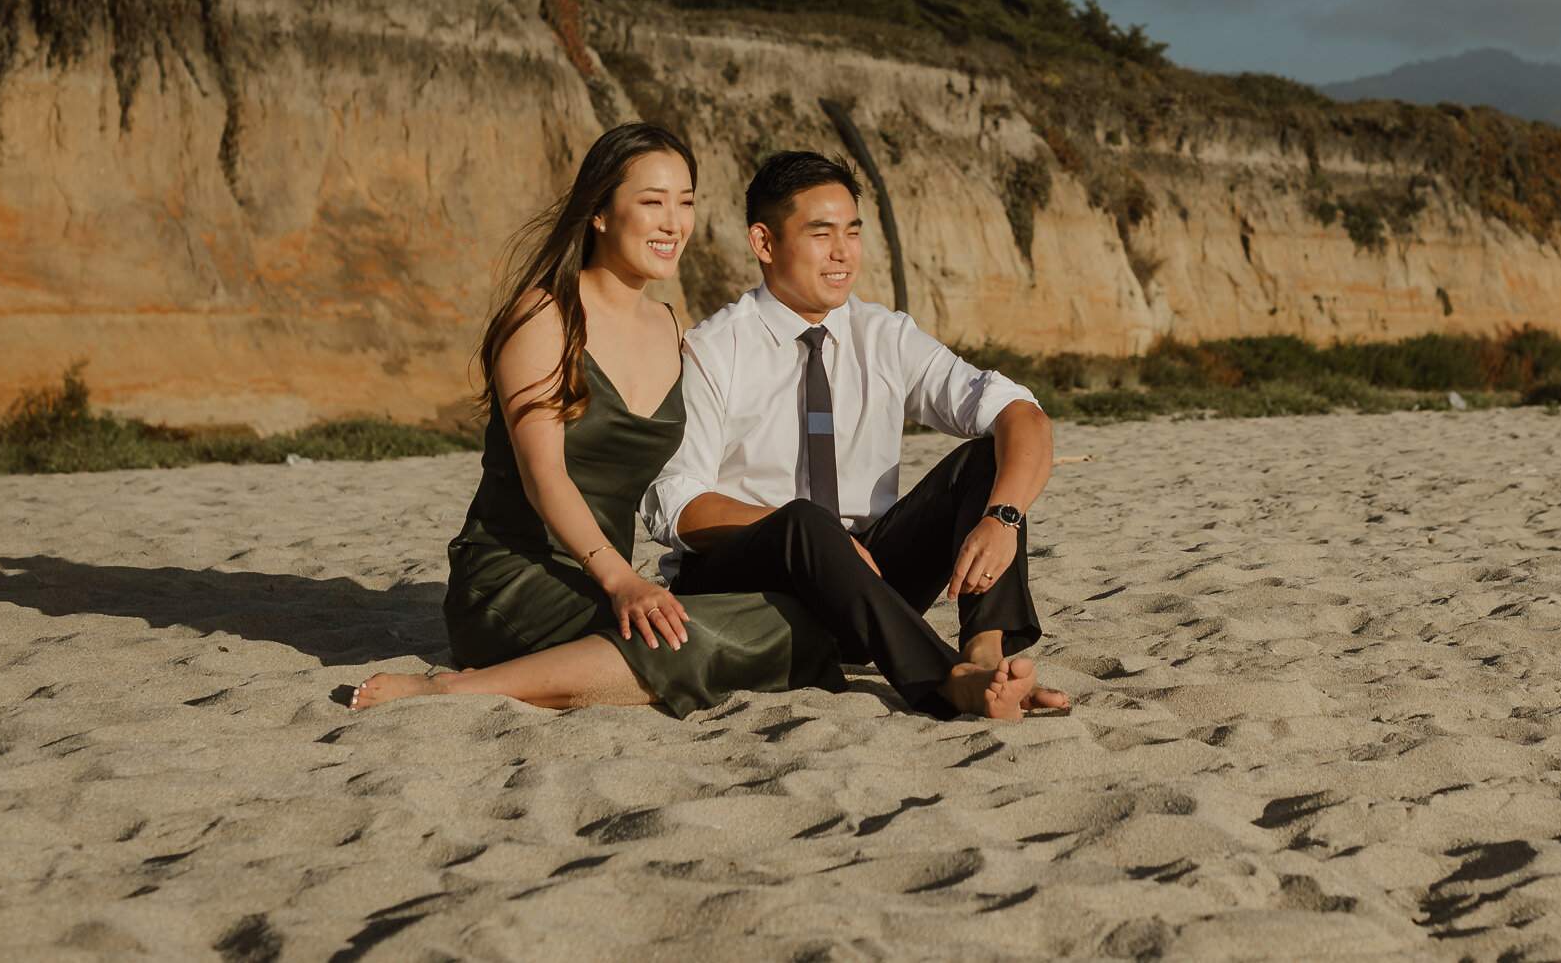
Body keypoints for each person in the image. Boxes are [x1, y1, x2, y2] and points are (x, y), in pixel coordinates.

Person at [351, 123, 839, 714]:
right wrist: (623, 582)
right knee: (686, 643)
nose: (673, 223)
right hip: (514, 576)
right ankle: (450, 687)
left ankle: (562, 668)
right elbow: (543, 477)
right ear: (601, 213)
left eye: (685, 203)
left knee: (799, 624)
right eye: (652, 202)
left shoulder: (672, 327)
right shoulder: (543, 316)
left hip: (601, 582)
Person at [642, 150, 1071, 720]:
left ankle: (984, 655)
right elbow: (673, 503)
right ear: (765, 244)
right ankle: (946, 679)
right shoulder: (714, 349)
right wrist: (820, 537)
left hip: (867, 582)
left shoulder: (884, 335)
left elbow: (1023, 414)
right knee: (803, 519)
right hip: (750, 585)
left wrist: (1004, 517)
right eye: (821, 234)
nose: (844, 252)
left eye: (852, 231)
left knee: (987, 463)